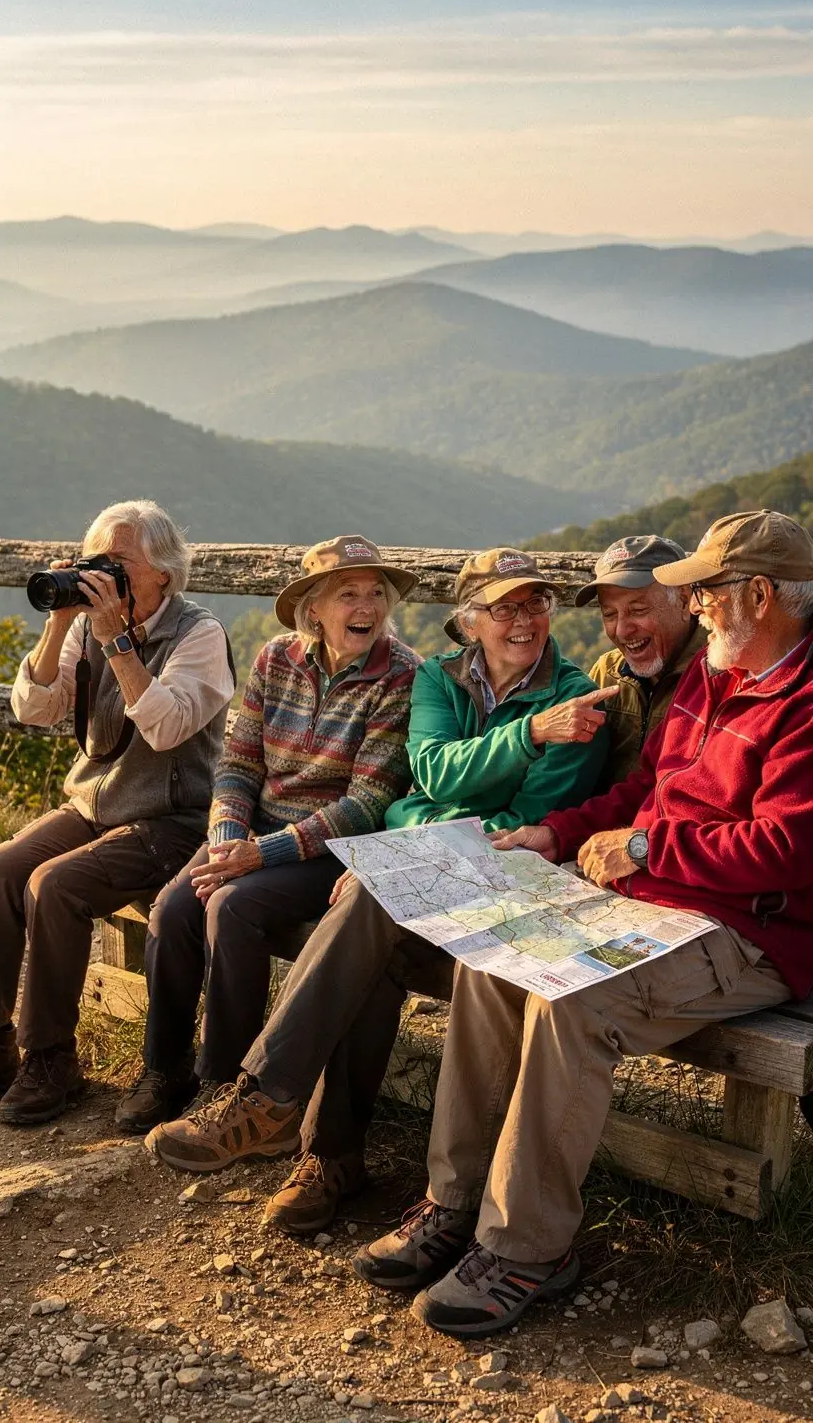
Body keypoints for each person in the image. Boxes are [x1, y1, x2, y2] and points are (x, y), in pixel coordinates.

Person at [355, 509, 813, 1339]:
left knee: (575, 1002)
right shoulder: (713, 676)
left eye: (705, 592)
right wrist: (556, 834)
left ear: (758, 594)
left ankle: (530, 1247)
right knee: (493, 960)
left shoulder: (805, 700)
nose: (696, 607)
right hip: (663, 904)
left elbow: (785, 849)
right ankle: (454, 1203)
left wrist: (646, 848)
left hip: (753, 934)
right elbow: (645, 791)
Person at [144, 546, 616, 1234]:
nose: (525, 620)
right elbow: (425, 780)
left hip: (512, 883)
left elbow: (526, 821)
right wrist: (514, 752)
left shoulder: (573, 699)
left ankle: (270, 1103)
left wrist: (437, 818)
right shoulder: (442, 682)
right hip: (431, 866)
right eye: (506, 606)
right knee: (367, 921)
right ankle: (325, 1154)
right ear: (471, 621)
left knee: (366, 898)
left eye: (537, 603)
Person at [115, 535, 420, 1133]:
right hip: (251, 833)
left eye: (375, 594)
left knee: (231, 908)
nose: (366, 607)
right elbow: (239, 763)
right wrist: (229, 834)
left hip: (330, 850)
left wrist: (260, 855)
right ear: (313, 608)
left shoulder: (400, 674)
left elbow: (368, 804)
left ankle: (225, 1087)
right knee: (173, 909)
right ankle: (164, 1069)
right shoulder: (277, 657)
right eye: (348, 595)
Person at [0, 500, 235, 1125]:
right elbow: (34, 710)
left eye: (118, 562)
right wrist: (59, 623)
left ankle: (49, 1056)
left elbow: (166, 728)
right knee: (2, 869)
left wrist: (117, 644)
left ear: (163, 572)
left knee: (54, 885)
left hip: (174, 818)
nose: (104, 574)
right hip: (99, 804)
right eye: (95, 561)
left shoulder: (199, 634)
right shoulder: (87, 626)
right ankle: (0, 1042)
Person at [576, 534, 704, 789]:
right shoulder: (606, 673)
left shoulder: (721, 673)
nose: (622, 630)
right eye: (609, 614)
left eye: (638, 610)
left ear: (683, 599)